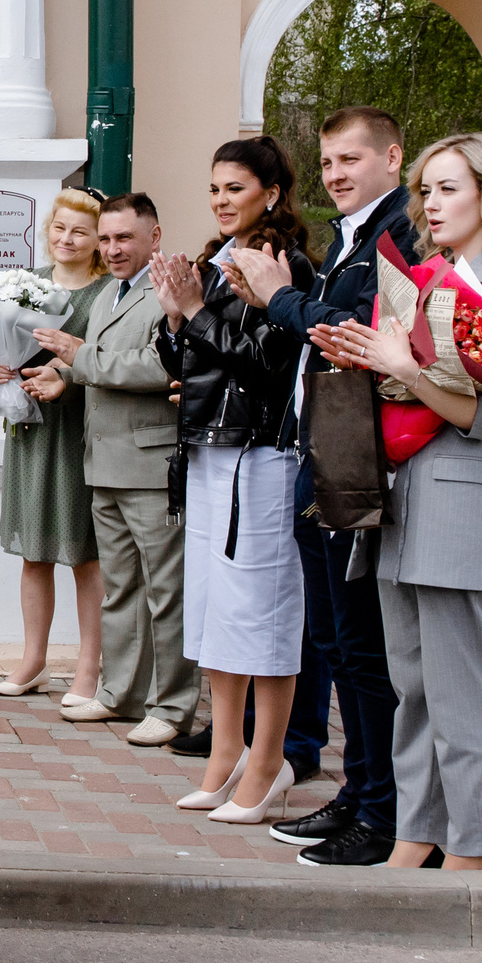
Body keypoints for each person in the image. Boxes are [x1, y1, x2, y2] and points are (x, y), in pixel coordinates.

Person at [312, 133, 482, 871]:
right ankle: (416, 835)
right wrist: (364, 358)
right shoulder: (428, 274)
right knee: (410, 688)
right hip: (405, 504)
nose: (432, 204)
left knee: (461, 692)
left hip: (466, 511)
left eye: (448, 188)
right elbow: (410, 384)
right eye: (427, 191)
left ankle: (472, 848)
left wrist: (403, 367)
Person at [223, 106, 418, 867]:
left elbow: (351, 330)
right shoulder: (353, 237)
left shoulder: (396, 234)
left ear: (392, 156)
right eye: (329, 161)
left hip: (355, 458)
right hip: (322, 452)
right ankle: (359, 793)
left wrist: (280, 299)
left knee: (363, 648)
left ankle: (383, 810)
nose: (336, 173)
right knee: (336, 641)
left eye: (351, 159)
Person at [152, 137, 315, 828]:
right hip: (212, 450)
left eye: (235, 188)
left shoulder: (284, 264)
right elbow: (187, 362)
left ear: (271, 193)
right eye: (215, 187)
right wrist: (172, 315)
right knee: (218, 609)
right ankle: (224, 753)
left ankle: (269, 759)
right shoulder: (215, 260)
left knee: (261, 613)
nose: (220, 200)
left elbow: (268, 367)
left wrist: (196, 314)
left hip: (262, 453)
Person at [22, 193, 201, 752]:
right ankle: (121, 692)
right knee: (120, 589)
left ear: (155, 236)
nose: (112, 248)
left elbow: (163, 364)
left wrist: (78, 361)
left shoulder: (172, 286)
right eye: (106, 238)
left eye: (124, 238)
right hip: (102, 461)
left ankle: (171, 706)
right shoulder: (107, 295)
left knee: (165, 591)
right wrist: (62, 375)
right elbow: (95, 361)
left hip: (151, 462)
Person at [0, 187, 109, 704]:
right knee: (33, 554)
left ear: (97, 238)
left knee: (84, 555)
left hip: (78, 431)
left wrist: (67, 371)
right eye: (60, 228)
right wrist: (1, 370)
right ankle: (33, 660)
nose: (67, 239)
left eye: (80, 231)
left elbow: (109, 360)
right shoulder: (24, 286)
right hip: (31, 434)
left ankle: (88, 667)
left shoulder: (105, 293)